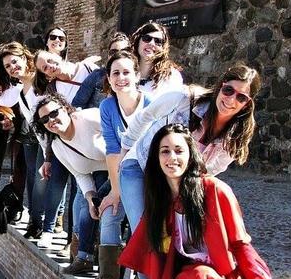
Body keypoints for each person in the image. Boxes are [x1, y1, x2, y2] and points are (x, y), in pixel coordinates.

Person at [118, 64, 262, 234]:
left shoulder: (236, 135)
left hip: (174, 184)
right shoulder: (184, 98)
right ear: (220, 86)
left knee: (173, 237)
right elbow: (145, 116)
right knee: (143, 233)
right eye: (229, 90)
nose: (231, 100)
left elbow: (213, 169)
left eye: (241, 98)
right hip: (140, 166)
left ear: (247, 104)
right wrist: (123, 157)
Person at [118, 123, 271, 279]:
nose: (172, 157)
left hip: (217, 274)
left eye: (179, 151)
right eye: (165, 151)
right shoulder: (159, 200)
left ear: (190, 155)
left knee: (199, 274)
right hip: (182, 273)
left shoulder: (215, 190)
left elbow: (240, 244)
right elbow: (148, 250)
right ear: (156, 159)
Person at [33, 93, 109, 275]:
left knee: (100, 207)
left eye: (53, 113)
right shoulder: (58, 146)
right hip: (99, 171)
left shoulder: (89, 118)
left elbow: (121, 134)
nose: (51, 120)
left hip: (123, 164)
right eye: (44, 119)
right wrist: (90, 197)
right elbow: (79, 174)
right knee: (85, 205)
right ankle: (84, 256)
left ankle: (100, 260)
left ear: (65, 108)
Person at [97, 50, 152, 278]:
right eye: (115, 73)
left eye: (126, 72)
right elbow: (111, 150)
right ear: (109, 79)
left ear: (137, 75)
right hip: (123, 173)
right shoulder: (107, 107)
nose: (121, 78)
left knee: (141, 227)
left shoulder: (150, 104)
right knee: (109, 213)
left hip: (150, 173)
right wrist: (115, 191)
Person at [0, 42, 44, 238]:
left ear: (24, 58)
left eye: (14, 61)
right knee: (34, 179)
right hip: (34, 137)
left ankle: (47, 225)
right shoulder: (19, 89)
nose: (12, 67)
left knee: (45, 182)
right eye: (7, 66)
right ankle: (35, 222)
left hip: (53, 137)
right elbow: (3, 102)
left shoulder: (42, 77)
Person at [72, 32, 132, 109]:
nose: (118, 55)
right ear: (108, 55)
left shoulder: (134, 78)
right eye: (113, 52)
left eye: (124, 51)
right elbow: (77, 106)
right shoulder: (96, 76)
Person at [131, 22, 183, 101]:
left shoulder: (171, 77)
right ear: (138, 42)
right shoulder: (126, 71)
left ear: (163, 48)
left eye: (158, 41)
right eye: (147, 38)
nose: (152, 43)